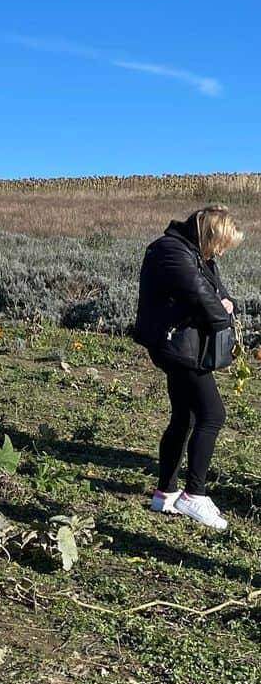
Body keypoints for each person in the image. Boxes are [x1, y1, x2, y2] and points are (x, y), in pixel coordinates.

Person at [134, 206, 244, 531]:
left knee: (185, 417)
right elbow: (200, 296)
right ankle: (194, 494)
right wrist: (223, 315)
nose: (222, 250)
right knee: (213, 415)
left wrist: (226, 304)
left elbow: (218, 293)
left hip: (183, 345)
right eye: (221, 242)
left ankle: (164, 493)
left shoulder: (199, 255)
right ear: (208, 234)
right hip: (177, 348)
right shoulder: (170, 251)